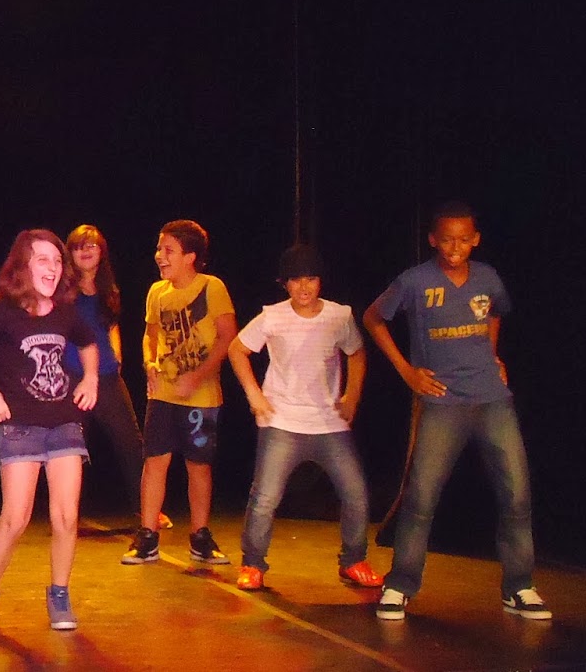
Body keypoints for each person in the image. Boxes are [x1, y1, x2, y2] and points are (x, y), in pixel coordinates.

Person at [363, 202, 548, 621]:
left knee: (516, 493)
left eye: (464, 240)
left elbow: (494, 313)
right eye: (447, 239)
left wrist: (493, 355)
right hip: (443, 402)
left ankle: (520, 586)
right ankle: (400, 584)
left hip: (492, 400)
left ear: (475, 239)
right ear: (433, 239)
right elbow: (373, 318)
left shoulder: (488, 277)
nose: (455, 247)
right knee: (421, 496)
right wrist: (407, 371)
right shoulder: (415, 280)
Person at [0, 230, 99, 633]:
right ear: (23, 267)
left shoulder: (66, 312)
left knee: (66, 516)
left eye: (57, 260)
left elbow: (89, 345)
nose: (52, 268)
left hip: (64, 424)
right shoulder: (4, 313)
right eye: (42, 260)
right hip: (20, 428)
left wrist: (90, 380)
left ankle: (59, 594)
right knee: (15, 518)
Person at [227, 244, 383, 592]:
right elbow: (237, 349)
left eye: (311, 278)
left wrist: (352, 395)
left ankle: (353, 560)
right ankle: (253, 563)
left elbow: (357, 352)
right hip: (282, 420)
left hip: (329, 422)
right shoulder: (273, 316)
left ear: (320, 281)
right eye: (296, 280)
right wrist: (254, 394)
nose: (304, 287)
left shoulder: (339, 315)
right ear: (285, 283)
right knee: (265, 497)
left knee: (356, 492)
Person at [123, 219, 237, 567]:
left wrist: (198, 376)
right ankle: (147, 537)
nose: (160, 256)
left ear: (190, 256)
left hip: (201, 397)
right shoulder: (157, 292)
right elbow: (150, 335)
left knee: (198, 466)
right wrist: (149, 363)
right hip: (163, 395)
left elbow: (228, 337)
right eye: (159, 249)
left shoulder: (211, 287)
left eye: (168, 250)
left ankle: (200, 538)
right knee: (154, 462)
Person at [62, 224, 171, 532]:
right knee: (72, 447)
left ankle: (146, 509)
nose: (85, 252)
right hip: (72, 376)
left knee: (131, 442)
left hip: (107, 376)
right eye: (79, 246)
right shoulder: (62, 290)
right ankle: (68, 512)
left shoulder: (108, 289)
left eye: (91, 246)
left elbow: (111, 326)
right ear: (70, 253)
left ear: (101, 252)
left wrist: (118, 356)